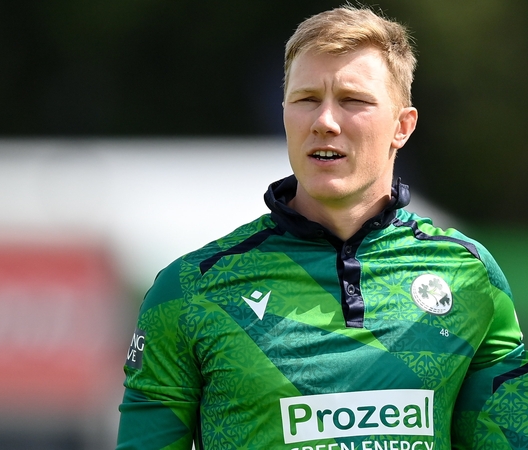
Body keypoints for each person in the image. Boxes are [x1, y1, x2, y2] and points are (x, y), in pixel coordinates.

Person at [116, 5, 528, 450]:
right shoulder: (188, 291)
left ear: (402, 127)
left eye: (353, 101)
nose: (325, 122)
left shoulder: (469, 276)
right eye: (307, 99)